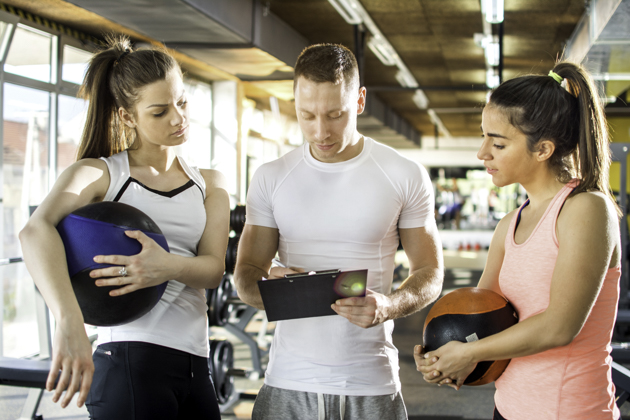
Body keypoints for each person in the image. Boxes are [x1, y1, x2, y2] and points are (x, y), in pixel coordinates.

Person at [19, 36, 229, 419]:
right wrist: (70, 322)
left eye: (182, 102)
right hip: (130, 358)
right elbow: (35, 231)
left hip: (197, 363)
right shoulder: (101, 174)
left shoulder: (210, 185)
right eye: (160, 111)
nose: (178, 119)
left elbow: (213, 270)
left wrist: (167, 266)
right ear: (128, 116)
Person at [234, 43, 444, 419]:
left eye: (335, 115)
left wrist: (389, 306)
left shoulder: (403, 174)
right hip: (288, 381)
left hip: (370, 383)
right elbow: (246, 275)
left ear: (360, 100)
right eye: (307, 115)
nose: (321, 131)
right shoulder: (271, 178)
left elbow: (430, 271)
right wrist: (273, 285)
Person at [415, 62, 622, 420]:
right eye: (484, 138)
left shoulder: (586, 209)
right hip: (507, 409)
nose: (482, 153)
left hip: (570, 412)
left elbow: (560, 326)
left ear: (542, 149)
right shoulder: (509, 224)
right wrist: (444, 358)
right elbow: (478, 318)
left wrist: (466, 354)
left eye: (497, 142)